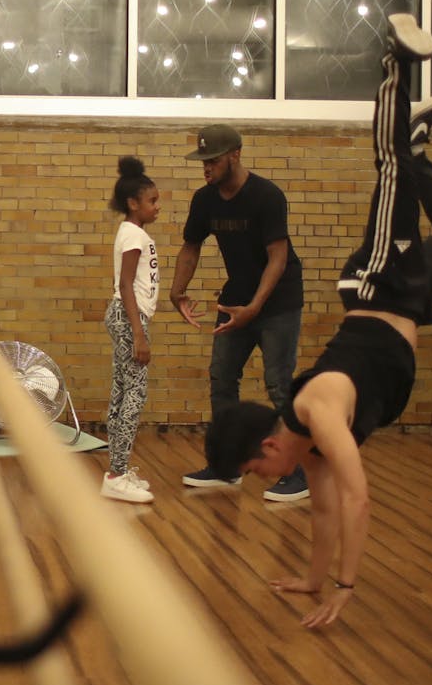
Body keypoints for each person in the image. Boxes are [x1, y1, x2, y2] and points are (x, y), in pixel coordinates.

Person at [203, 13, 432, 629]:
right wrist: (312, 579)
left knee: (390, 175)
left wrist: (346, 587)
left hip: (381, 283)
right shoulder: (310, 449)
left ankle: (395, 65)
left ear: (270, 445)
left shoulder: (319, 414)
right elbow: (328, 513)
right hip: (400, 302)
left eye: (256, 470)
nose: (263, 478)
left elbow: (360, 500)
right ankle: (416, 150)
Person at [168, 123, 308, 502]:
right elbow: (190, 247)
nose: (206, 167)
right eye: (202, 161)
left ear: (235, 155)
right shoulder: (205, 199)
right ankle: (225, 466)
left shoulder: (267, 196)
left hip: (278, 300)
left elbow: (278, 257)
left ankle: (297, 473)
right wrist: (177, 291)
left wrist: (255, 308)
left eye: (212, 160)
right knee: (221, 377)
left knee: (279, 383)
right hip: (237, 298)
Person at [100, 156, 160, 504]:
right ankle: (117, 474)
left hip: (126, 316)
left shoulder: (131, 232)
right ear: (132, 203)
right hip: (128, 317)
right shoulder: (134, 235)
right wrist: (138, 334)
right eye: (152, 201)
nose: (157, 207)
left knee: (123, 392)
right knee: (133, 395)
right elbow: (125, 285)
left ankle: (117, 470)